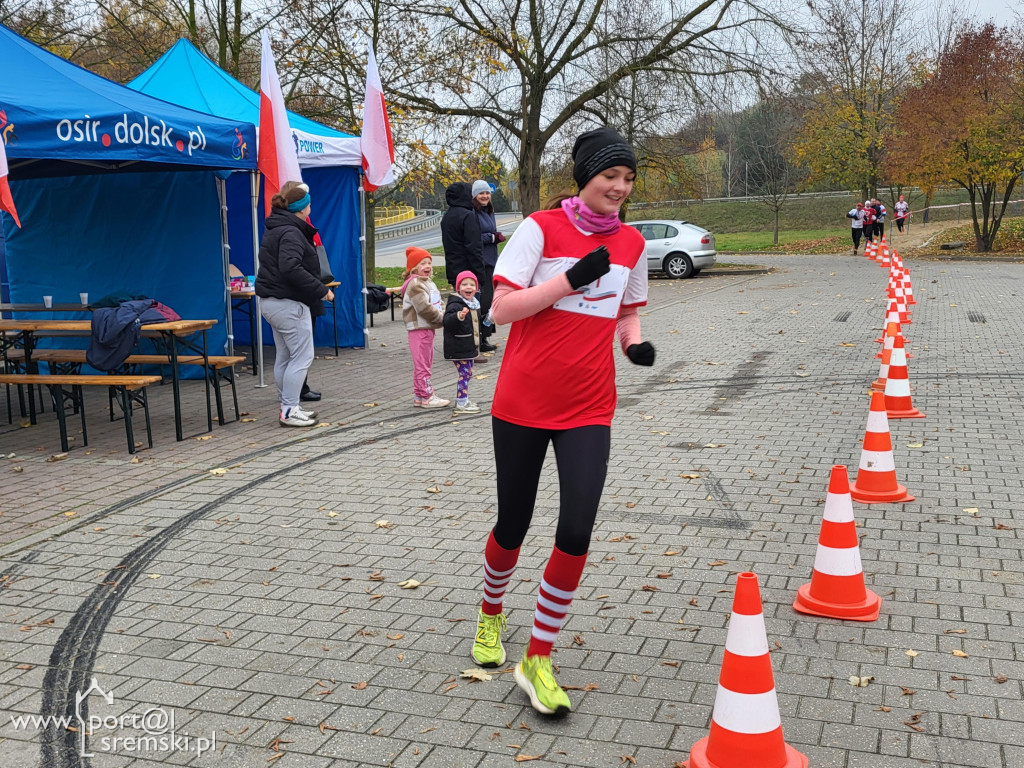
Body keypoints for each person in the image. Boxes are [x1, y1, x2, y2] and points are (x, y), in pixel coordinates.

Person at [469, 126, 655, 717]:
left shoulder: (632, 244)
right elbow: (499, 309)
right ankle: (490, 616)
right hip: (522, 402)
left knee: (576, 529)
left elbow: (627, 315)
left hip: (589, 406)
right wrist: (569, 279)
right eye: (611, 177)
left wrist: (635, 348)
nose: (620, 188)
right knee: (513, 524)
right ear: (585, 179)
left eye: (628, 179)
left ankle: (539, 657)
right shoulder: (540, 229)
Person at [255, 181, 333, 428]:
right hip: (288, 303)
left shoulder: (276, 228)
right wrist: (321, 291)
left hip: (271, 302)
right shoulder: (291, 232)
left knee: (286, 356)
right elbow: (291, 268)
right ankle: (289, 410)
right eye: (309, 202)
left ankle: (288, 404)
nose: (311, 205)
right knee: (302, 356)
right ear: (302, 208)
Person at [401, 246, 449, 408]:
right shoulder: (415, 284)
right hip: (419, 328)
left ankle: (419, 395)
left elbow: (438, 302)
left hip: (428, 327)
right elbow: (424, 308)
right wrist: (442, 318)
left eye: (429, 262)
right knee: (423, 364)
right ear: (414, 268)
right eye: (422, 263)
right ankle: (428, 396)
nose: (427, 266)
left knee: (424, 362)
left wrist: (442, 311)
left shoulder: (428, 283)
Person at [443, 270, 483, 414]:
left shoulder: (474, 304)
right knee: (465, 374)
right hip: (458, 347)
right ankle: (461, 402)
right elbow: (447, 321)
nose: (468, 287)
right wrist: (458, 316)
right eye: (464, 284)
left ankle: (463, 399)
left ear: (476, 288)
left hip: (468, 346)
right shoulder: (456, 304)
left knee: (468, 373)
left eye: (472, 284)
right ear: (458, 288)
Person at [472, 180, 503, 353]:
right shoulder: (473, 213)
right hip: (481, 261)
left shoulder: (489, 211)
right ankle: (479, 338)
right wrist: (492, 238)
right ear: (475, 196)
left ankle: (485, 336)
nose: (485, 196)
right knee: (482, 301)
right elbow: (474, 236)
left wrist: (495, 237)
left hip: (491, 261)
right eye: (481, 193)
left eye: (487, 193)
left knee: (489, 300)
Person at [441, 181, 486, 290]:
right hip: (469, 272)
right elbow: (474, 247)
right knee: (472, 304)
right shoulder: (468, 216)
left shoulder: (447, 217)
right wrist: (480, 274)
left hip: (453, 269)